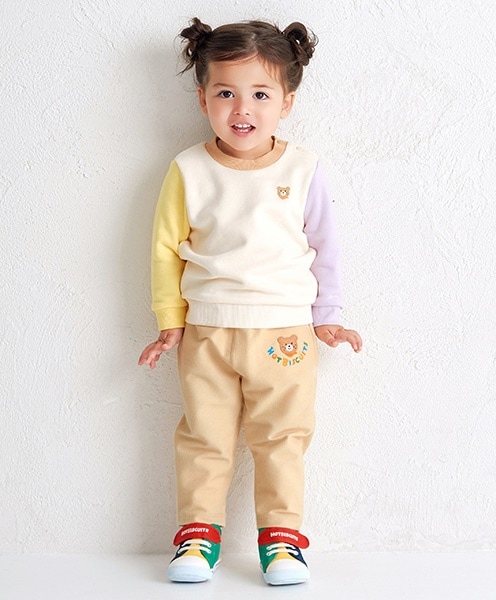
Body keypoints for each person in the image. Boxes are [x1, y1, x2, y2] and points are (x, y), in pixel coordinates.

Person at [138, 17, 362, 586]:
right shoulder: (188, 169)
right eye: (225, 94)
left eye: (261, 94)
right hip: (208, 334)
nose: (242, 109)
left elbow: (324, 245)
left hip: (285, 334)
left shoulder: (302, 167)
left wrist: (328, 317)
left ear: (287, 102)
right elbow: (165, 249)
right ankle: (197, 536)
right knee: (204, 436)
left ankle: (282, 542)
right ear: (203, 99)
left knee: (282, 439)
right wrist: (170, 321)